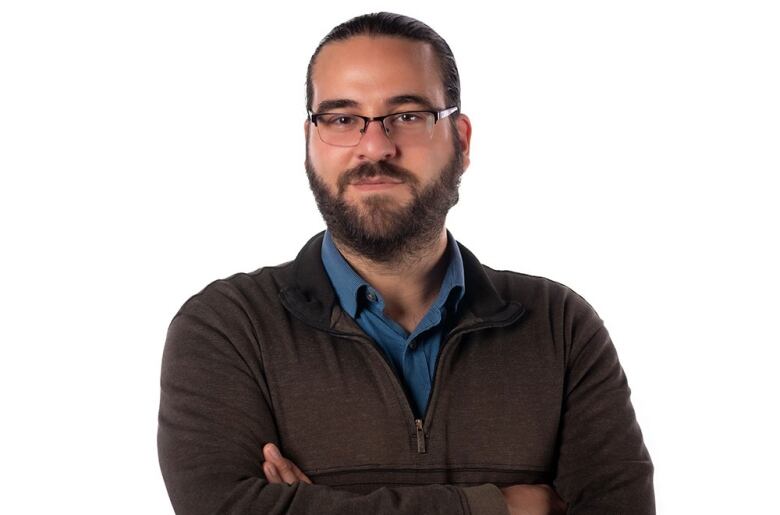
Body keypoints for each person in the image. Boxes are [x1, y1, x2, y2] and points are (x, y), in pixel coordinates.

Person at [157, 12, 654, 515]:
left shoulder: (560, 326)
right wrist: (497, 508)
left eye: (409, 115)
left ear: (461, 141)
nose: (374, 146)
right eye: (341, 118)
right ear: (309, 141)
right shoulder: (227, 328)